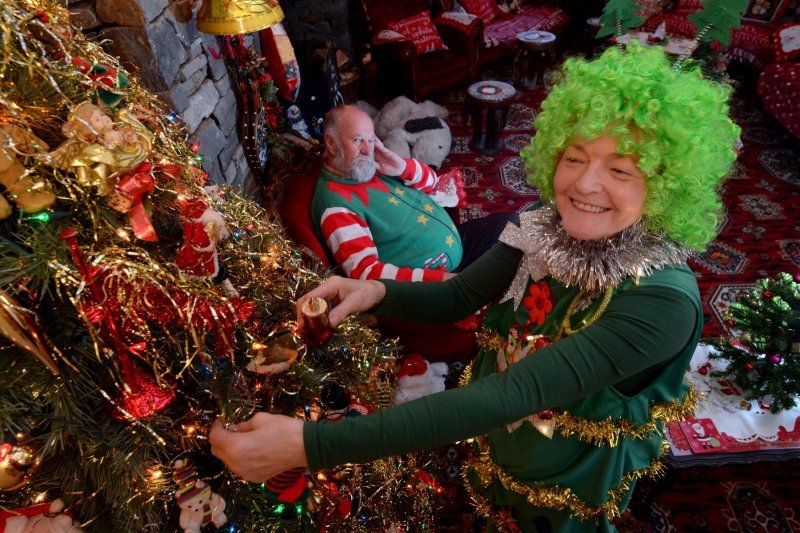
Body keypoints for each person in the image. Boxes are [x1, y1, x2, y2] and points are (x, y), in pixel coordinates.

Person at [210, 42, 740, 531]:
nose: (583, 184)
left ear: (667, 182)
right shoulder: (540, 221)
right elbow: (461, 295)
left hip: (570, 477)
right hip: (500, 441)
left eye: (621, 169)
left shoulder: (662, 303)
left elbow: (516, 392)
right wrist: (375, 291)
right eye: (574, 157)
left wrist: (313, 445)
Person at [312, 104, 512, 282]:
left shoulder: (366, 168)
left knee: (515, 225)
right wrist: (444, 280)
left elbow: (433, 183)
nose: (367, 149)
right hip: (442, 279)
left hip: (454, 243)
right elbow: (366, 274)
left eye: (371, 140)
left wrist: (401, 167)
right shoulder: (335, 205)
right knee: (511, 259)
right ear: (331, 143)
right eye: (357, 140)